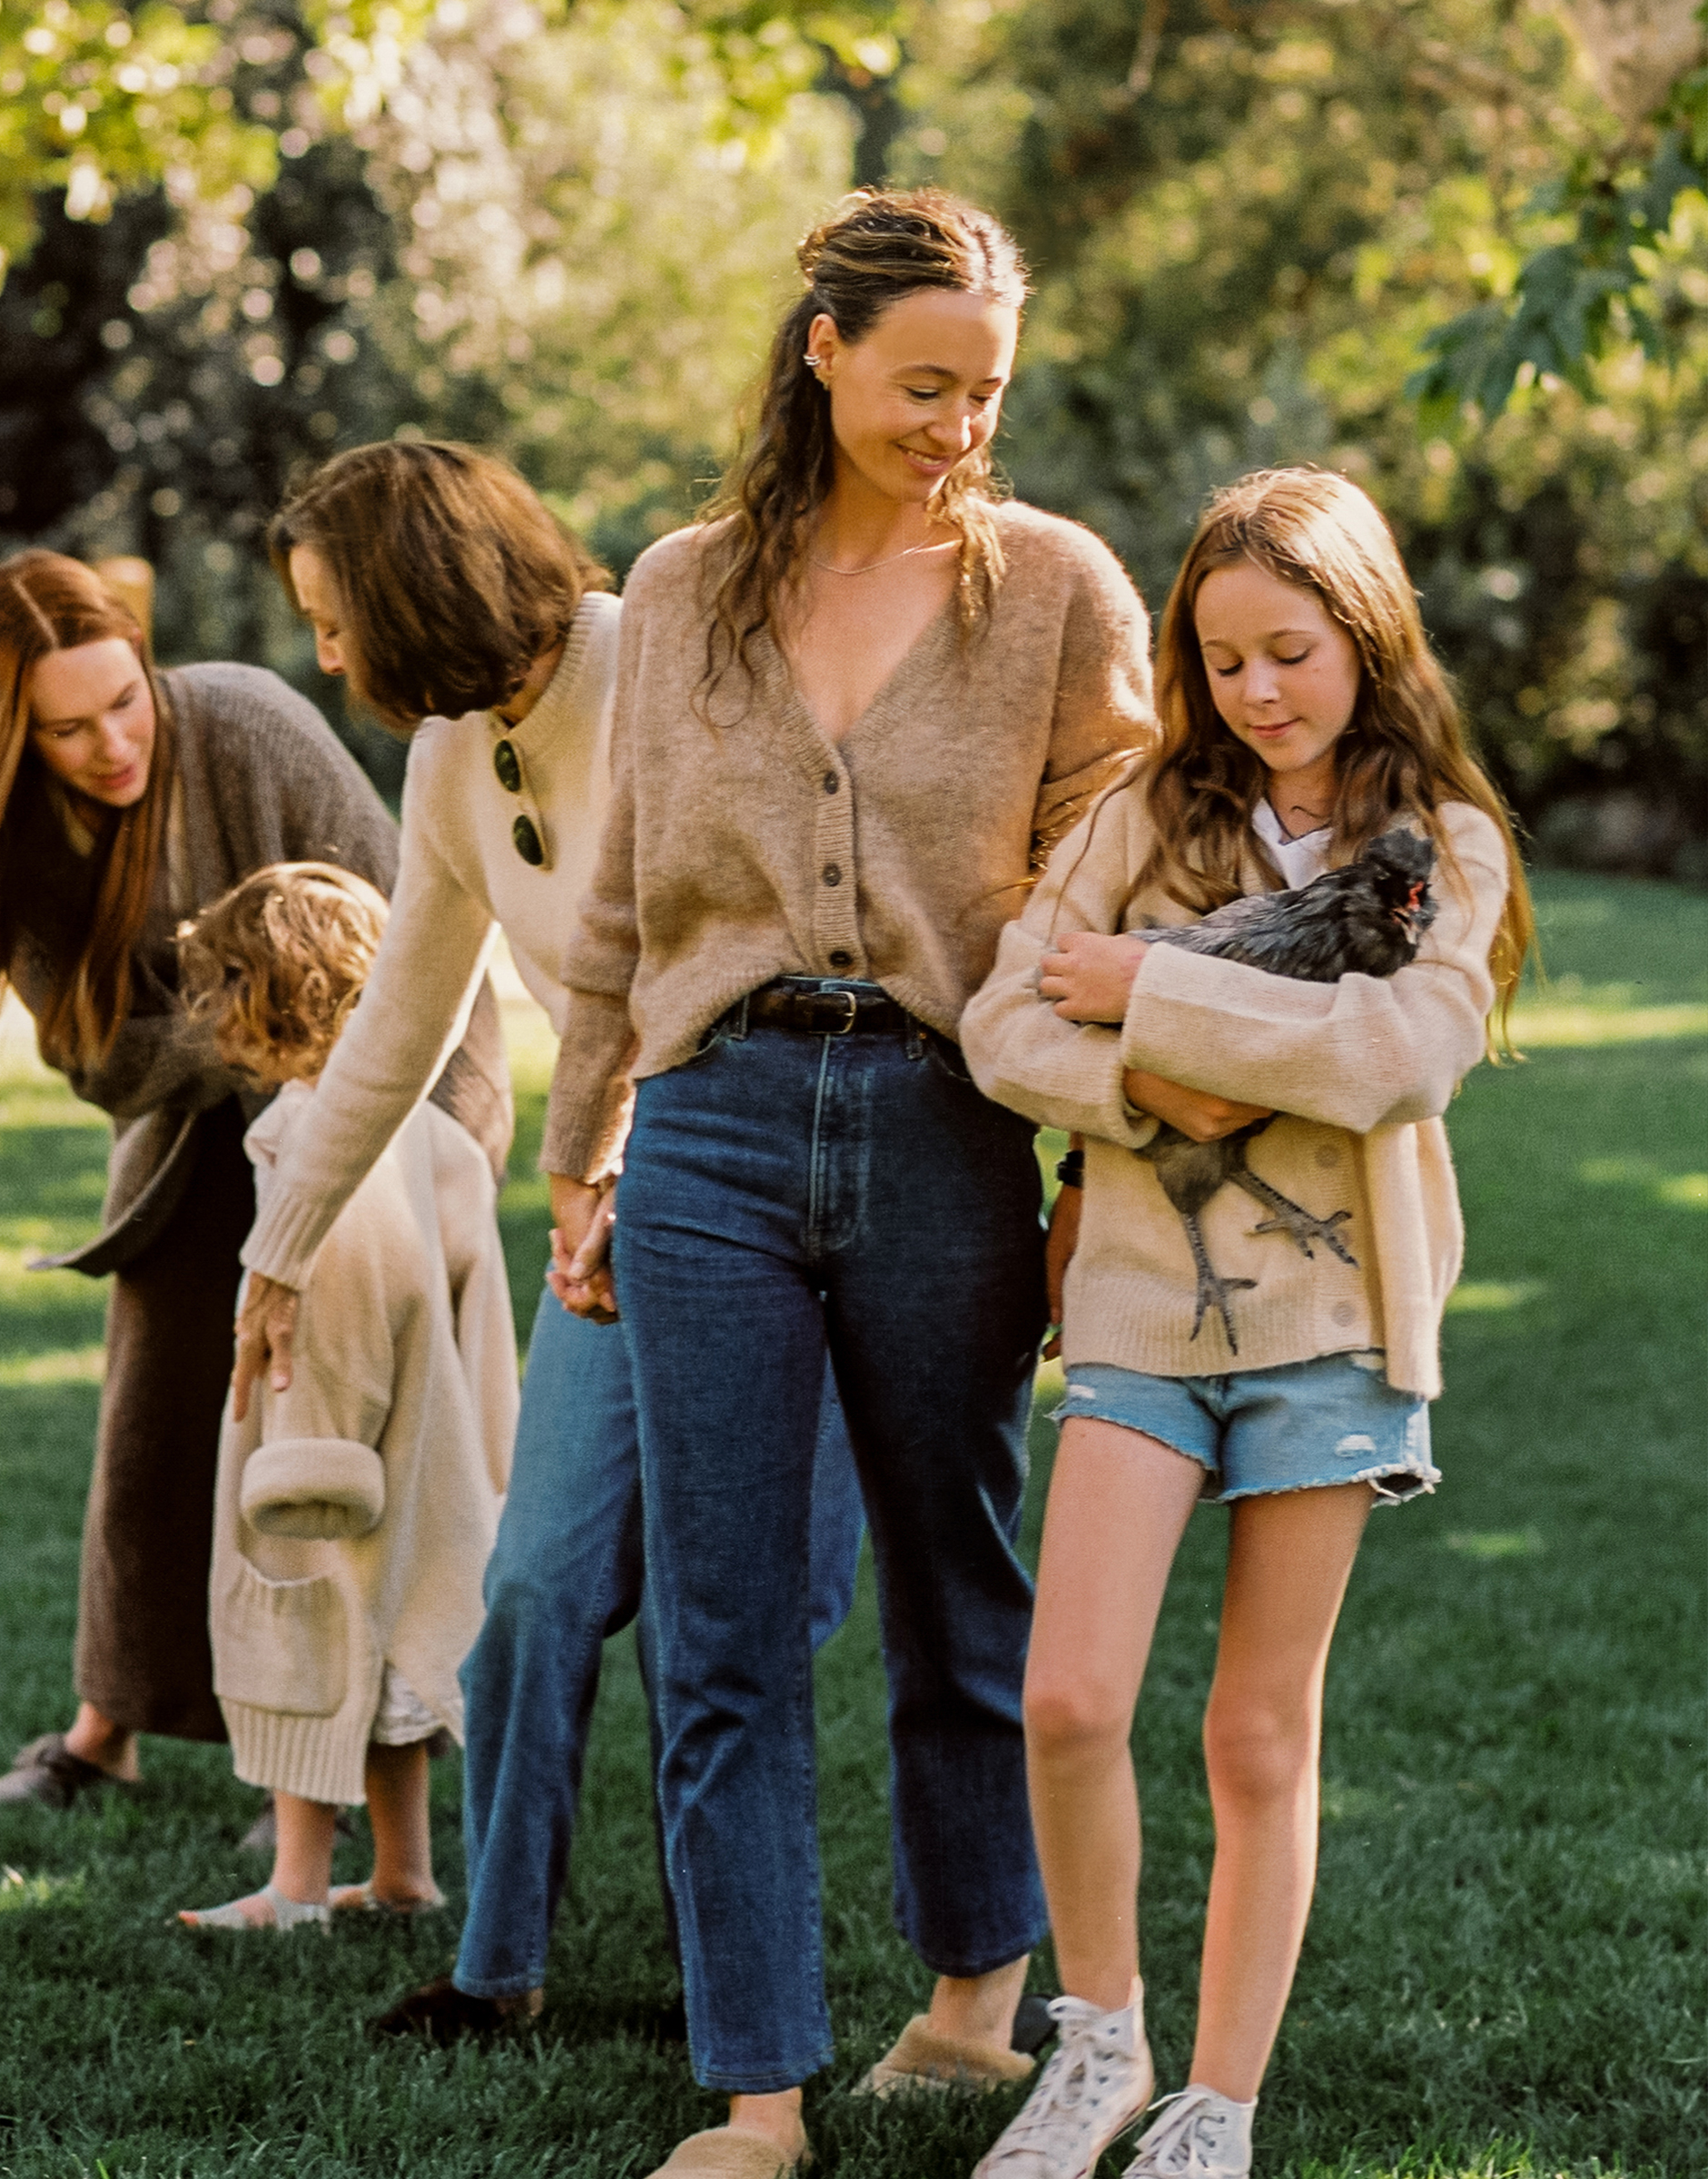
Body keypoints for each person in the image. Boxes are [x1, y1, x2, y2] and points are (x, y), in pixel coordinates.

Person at [539, 186, 1156, 2179]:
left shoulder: (1057, 589)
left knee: (955, 1583)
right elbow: (620, 901)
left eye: (986, 389)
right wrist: (581, 1151)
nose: (956, 424)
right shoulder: (688, 585)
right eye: (919, 384)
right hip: (712, 1121)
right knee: (715, 1628)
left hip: (945, 1124)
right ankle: (759, 2092)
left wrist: (1092, 1167)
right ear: (821, 352)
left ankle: (977, 2002)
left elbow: (1133, 889)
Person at [226, 439, 866, 2035]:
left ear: (409, 587)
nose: (326, 655)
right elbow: (395, 1025)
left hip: (787, 1205)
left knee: (759, 1620)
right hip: (613, 1235)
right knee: (532, 1593)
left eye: (332, 615)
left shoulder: (658, 655)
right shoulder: (453, 760)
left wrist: (625, 1151)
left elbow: (754, 927)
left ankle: (751, 1969)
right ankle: (494, 1966)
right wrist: (278, 1249)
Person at [959, 467, 1535, 2179]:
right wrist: (1155, 1091)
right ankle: (1101, 2042)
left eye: (1291, 651)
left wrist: (1154, 991)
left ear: (1367, 634)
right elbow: (1002, 1022)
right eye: (1221, 661)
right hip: (1142, 1303)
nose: (1257, 693)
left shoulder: (1448, 842)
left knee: (1257, 1729)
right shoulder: (1140, 815)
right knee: (1066, 1698)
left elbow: (1401, 1058)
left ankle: (1220, 2102)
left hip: (1338, 1325)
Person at [0, 551, 505, 1810]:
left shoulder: (245, 721)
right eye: (68, 728)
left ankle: (348, 1775)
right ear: (13, 735)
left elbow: (413, 942)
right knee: (163, 1423)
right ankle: (102, 1735)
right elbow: (96, 1059)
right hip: (192, 1137)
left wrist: (420, 1156)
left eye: (125, 700)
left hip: (383, 1114)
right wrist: (241, 1038)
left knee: (348, 1440)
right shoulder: (12, 830)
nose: (113, 743)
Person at [173, 863, 512, 1930]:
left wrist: (308, 1449)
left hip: (342, 1463)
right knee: (394, 1676)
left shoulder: (335, 1136)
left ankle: (297, 1887)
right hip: (431, 1458)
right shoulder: (421, 1127)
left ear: (278, 992)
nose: (208, 1008)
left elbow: (355, 1300)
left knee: (318, 1655)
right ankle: (404, 1876)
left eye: (223, 981)